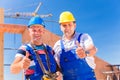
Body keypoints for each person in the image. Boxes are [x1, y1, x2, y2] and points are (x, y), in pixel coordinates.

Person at [10, 16, 62, 80]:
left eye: (39, 30)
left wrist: (59, 73)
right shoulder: (24, 49)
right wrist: (21, 64)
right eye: (34, 30)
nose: (37, 33)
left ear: (43, 31)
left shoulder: (50, 49)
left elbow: (57, 68)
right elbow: (13, 69)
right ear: (29, 32)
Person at [53, 11, 97, 80]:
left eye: (70, 24)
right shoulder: (57, 45)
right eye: (64, 25)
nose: (67, 28)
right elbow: (57, 65)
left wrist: (85, 53)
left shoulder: (83, 37)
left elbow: (93, 49)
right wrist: (58, 73)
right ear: (60, 27)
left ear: (74, 25)